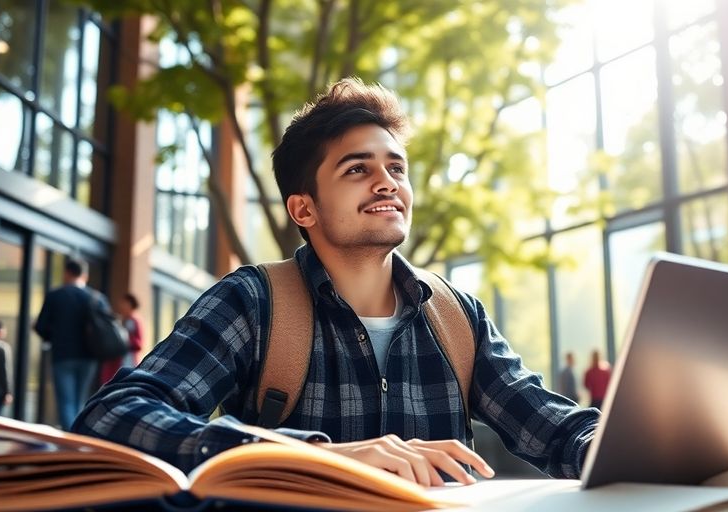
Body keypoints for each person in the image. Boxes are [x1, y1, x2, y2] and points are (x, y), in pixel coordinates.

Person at [73, 78, 599, 486]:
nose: (387, 181)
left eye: (397, 167)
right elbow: (109, 418)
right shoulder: (253, 303)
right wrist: (312, 456)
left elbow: (556, 429)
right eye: (356, 169)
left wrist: (625, 446)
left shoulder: (458, 317)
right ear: (303, 208)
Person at [34, 258, 103, 429]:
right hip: (89, 356)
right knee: (80, 401)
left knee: (66, 402)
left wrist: (54, 337)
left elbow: (40, 326)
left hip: (63, 355)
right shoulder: (96, 298)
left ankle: (72, 441)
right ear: (84, 276)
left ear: (66, 273)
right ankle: (79, 439)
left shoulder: (55, 296)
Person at [99, 293, 145, 385]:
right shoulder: (123, 319)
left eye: (124, 303)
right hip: (119, 360)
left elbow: (138, 342)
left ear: (130, 304)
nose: (121, 306)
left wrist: (124, 341)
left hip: (128, 360)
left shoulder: (133, 320)